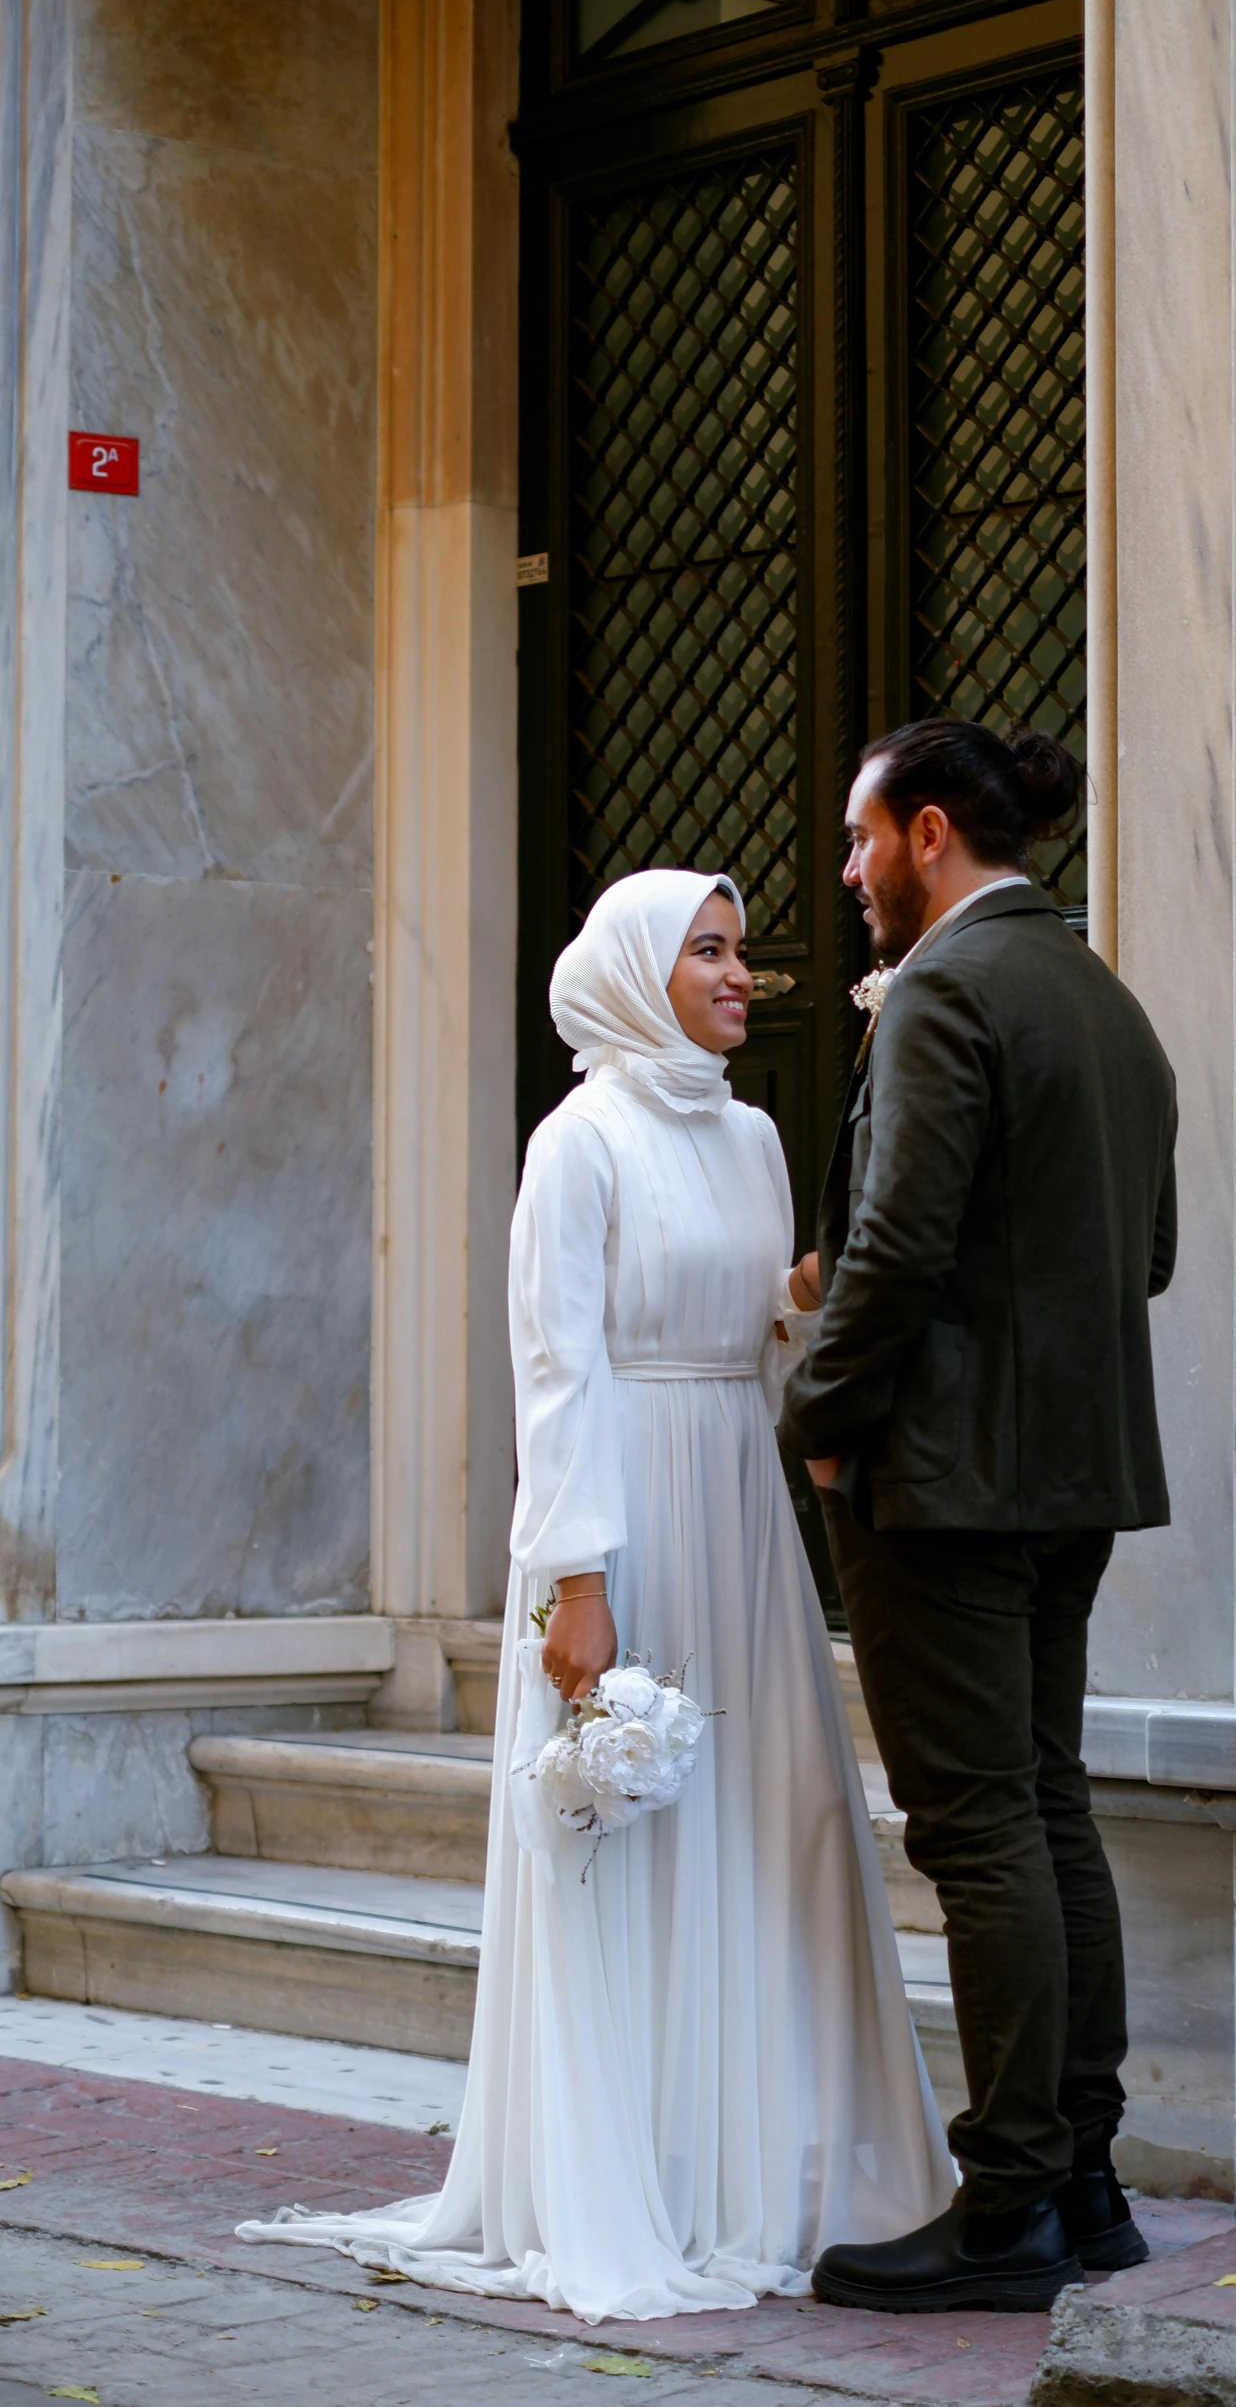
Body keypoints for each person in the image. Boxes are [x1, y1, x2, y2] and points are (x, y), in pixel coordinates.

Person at [239, 867, 953, 2324]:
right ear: (636, 968)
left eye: (742, 951)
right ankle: (624, 2176)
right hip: (617, 1513)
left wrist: (804, 1322)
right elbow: (553, 1367)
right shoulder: (577, 1141)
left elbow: (764, 1347)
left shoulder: (754, 1135)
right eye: (707, 950)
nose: (740, 974)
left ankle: (753, 2168)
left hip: (738, 1517)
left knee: (766, 1824)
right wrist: (577, 1583)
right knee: (624, 1841)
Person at [779, 719, 1178, 2316]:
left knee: (977, 1829)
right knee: (1043, 1802)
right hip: (1069, 1474)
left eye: (860, 839)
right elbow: (1136, 1258)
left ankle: (1007, 2199)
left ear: (927, 831)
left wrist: (816, 1416)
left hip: (941, 1482)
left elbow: (902, 1250)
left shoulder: (947, 987)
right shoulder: (1106, 997)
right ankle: (1081, 2177)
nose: (849, 871)